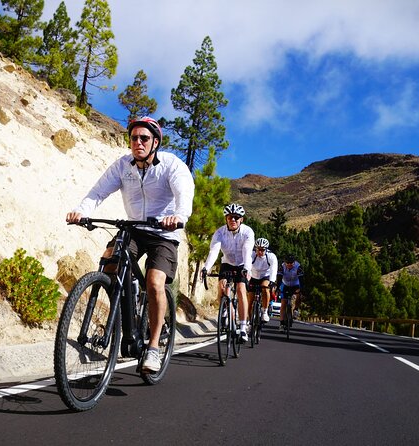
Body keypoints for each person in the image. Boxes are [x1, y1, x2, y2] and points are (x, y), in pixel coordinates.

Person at [66, 116, 194, 373]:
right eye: (134, 138)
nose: (138, 142)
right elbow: (98, 192)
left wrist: (179, 216)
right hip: (134, 228)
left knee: (155, 281)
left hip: (163, 233)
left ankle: (154, 348)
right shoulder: (123, 166)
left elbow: (184, 192)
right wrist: (82, 210)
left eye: (144, 138)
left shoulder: (171, 165)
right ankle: (123, 314)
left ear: (155, 142)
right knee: (109, 262)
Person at [201, 203, 255, 342]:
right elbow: (214, 251)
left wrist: (247, 269)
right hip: (227, 263)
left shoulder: (248, 232)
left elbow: (247, 251)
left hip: (242, 263)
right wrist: (206, 267)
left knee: (241, 289)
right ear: (226, 218)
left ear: (241, 219)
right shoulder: (219, 233)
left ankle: (243, 327)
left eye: (236, 218)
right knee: (223, 287)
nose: (233, 220)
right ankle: (226, 309)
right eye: (230, 217)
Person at [249, 237, 278, 323]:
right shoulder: (251, 254)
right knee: (249, 301)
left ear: (266, 249)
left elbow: (274, 269)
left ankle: (265, 311)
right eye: (258, 249)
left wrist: (272, 281)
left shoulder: (271, 256)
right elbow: (246, 265)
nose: (260, 252)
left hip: (265, 276)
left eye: (262, 250)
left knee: (265, 288)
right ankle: (250, 321)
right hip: (253, 276)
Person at [276, 254, 303, 331]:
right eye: (287, 263)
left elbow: (301, 280)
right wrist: (278, 288)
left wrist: (301, 289)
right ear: (285, 262)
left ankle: (296, 309)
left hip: (296, 284)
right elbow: (279, 278)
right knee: (283, 303)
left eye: (291, 263)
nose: (289, 264)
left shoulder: (298, 267)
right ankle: (281, 324)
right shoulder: (282, 267)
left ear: (294, 263)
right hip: (285, 284)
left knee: (299, 295)